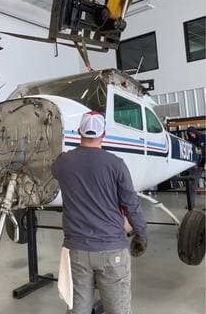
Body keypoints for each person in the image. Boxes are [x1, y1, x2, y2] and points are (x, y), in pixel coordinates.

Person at [52, 111, 147, 314]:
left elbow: (54, 172)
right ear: (103, 134)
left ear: (79, 131)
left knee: (78, 309)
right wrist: (141, 232)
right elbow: (131, 202)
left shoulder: (62, 162)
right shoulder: (116, 164)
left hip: (76, 250)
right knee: (118, 310)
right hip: (112, 250)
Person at [186, 127, 206, 207]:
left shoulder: (203, 137)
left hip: (204, 163)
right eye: (190, 134)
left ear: (195, 132)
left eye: (192, 133)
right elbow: (194, 153)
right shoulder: (190, 141)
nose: (192, 135)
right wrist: (194, 164)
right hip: (197, 165)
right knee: (192, 185)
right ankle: (191, 204)